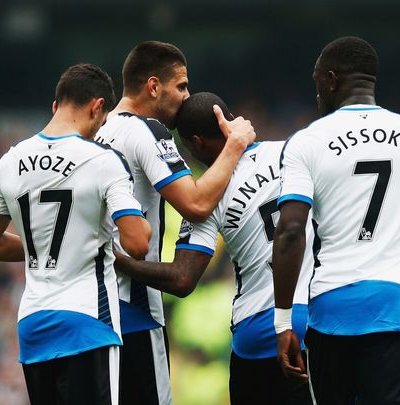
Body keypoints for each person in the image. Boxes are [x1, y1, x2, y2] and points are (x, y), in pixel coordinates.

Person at [272, 36, 400, 404]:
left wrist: (283, 321)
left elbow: (290, 231)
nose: (317, 95)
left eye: (317, 83)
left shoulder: (306, 142)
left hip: (330, 308)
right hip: (396, 306)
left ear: (331, 79)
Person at [113, 92, 314, 405]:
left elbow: (181, 278)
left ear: (196, 143)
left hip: (259, 330)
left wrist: (118, 262)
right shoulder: (295, 152)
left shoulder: (208, 195)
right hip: (319, 317)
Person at [0, 63, 152, 405]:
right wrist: (141, 222)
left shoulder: (10, 161)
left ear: (55, 106)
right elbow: (137, 244)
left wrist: (44, 242)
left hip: (33, 326)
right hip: (87, 322)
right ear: (98, 108)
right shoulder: (102, 160)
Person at [94, 42, 256, 405]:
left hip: (96, 308)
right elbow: (197, 204)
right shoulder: (146, 131)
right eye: (181, 86)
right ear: (154, 87)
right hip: (135, 308)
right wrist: (235, 145)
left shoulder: (98, 132)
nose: (186, 97)